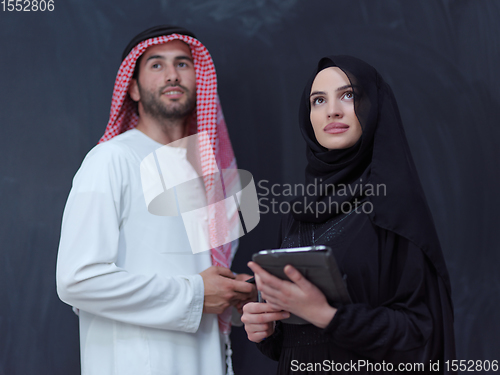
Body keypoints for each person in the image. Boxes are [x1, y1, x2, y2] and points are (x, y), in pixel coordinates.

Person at [56, 25, 255, 375]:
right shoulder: (111, 159)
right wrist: (195, 293)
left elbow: (201, 277)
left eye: (183, 63)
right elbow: (76, 279)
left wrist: (233, 295)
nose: (173, 75)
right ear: (131, 87)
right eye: (156, 65)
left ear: (200, 79)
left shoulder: (212, 174)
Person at [241, 55, 456, 374]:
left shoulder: (394, 204)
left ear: (374, 107)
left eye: (349, 95)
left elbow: (422, 329)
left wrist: (329, 316)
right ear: (307, 117)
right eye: (318, 100)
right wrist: (268, 331)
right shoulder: (297, 213)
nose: (332, 110)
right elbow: (296, 341)